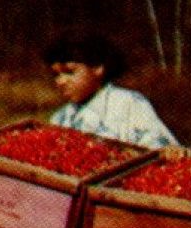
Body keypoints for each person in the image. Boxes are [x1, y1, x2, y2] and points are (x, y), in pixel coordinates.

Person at [43, 31, 179, 148]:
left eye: (70, 72)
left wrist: (167, 151)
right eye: (56, 75)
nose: (61, 81)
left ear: (97, 68)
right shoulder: (60, 119)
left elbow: (157, 144)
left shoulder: (129, 103)